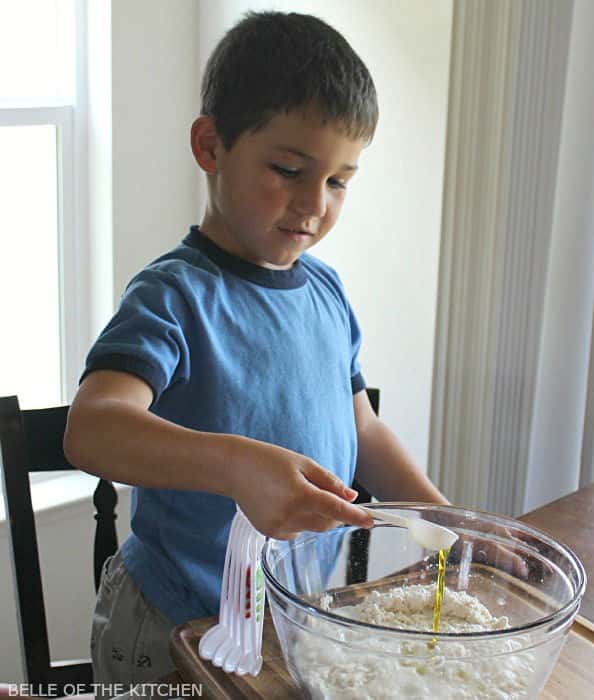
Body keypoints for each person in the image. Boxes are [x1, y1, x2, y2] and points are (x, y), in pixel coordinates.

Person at [64, 10, 448, 693]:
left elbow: (362, 429)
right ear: (211, 146)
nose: (314, 203)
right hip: (171, 623)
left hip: (284, 622)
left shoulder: (326, 293)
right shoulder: (174, 295)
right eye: (289, 169)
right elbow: (91, 429)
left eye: (338, 181)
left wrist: (436, 517)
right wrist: (236, 466)